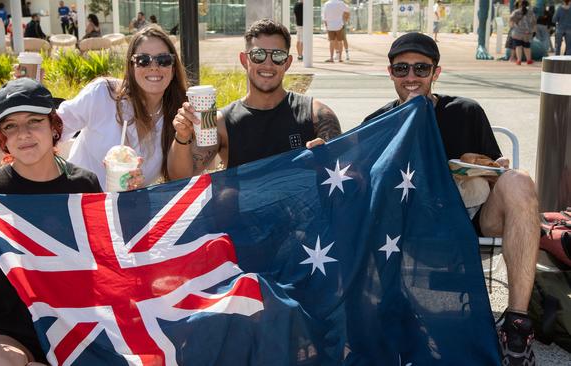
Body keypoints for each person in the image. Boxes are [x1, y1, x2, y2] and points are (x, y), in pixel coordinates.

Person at [363, 32, 539, 366]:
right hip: (406, 229)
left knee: (520, 181)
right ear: (390, 74)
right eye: (401, 69)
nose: (411, 76)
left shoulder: (466, 112)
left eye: (421, 68)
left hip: (471, 217)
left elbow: (496, 178)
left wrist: (487, 167)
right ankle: (376, 316)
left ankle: (517, 325)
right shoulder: (378, 123)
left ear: (436, 72)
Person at [0, 78, 102, 366]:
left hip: (73, 327)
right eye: (11, 126)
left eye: (34, 121)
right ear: (2, 137)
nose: (24, 134)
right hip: (2, 330)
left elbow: (99, 269)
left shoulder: (84, 184)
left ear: (54, 126)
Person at [167, 19, 342, 179]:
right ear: (245, 60)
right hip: (245, 213)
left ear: (287, 63)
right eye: (258, 55)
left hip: (301, 212)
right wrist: (182, 136)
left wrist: (329, 156)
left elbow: (346, 172)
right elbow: (181, 176)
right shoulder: (223, 123)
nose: (268, 64)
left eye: (278, 56)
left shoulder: (316, 115)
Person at [57, 25, 187, 189]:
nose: (154, 67)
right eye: (143, 60)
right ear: (131, 67)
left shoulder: (178, 117)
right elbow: (52, 130)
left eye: (163, 60)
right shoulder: (102, 95)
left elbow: (181, 177)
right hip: (77, 203)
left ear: (173, 68)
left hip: (129, 209)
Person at [510, 0, 537, 65]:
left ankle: (519, 60)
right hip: (527, 33)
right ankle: (529, 60)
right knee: (527, 47)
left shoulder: (516, 12)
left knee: (518, 46)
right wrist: (534, 31)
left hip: (517, 32)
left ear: (520, 5)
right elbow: (534, 23)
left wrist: (512, 27)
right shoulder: (531, 12)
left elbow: (511, 20)